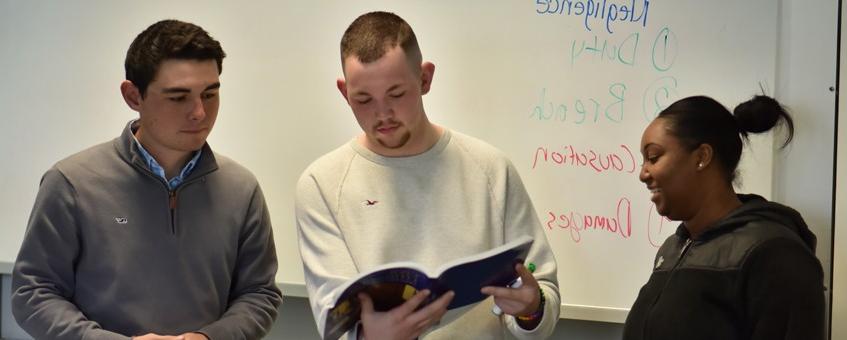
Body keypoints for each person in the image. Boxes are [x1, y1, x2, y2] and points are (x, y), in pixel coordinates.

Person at [295, 11, 560, 340]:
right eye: (363, 99)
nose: (383, 114)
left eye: (396, 94)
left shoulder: (490, 168)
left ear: (424, 79)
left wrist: (531, 308)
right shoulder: (321, 184)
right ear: (344, 92)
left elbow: (541, 294)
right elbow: (334, 318)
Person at [11, 19, 282, 340]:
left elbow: (259, 293)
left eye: (209, 94)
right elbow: (34, 293)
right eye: (178, 97)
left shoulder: (241, 188)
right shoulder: (71, 183)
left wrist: (210, 337)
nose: (199, 112)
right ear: (133, 96)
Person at [623, 95, 825, 340]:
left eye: (653, 158)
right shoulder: (672, 250)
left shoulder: (773, 253)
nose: (643, 174)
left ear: (702, 157)